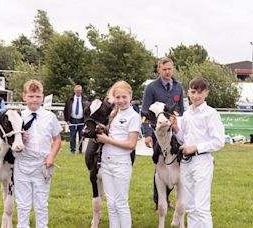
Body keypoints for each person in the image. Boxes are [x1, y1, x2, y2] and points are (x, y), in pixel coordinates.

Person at [172, 76, 225, 228]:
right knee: (190, 206)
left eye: (200, 93)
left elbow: (218, 141)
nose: (196, 96)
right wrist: (176, 128)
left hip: (202, 161)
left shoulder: (211, 114)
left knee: (202, 206)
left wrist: (196, 147)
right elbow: (183, 139)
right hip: (186, 162)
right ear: (188, 92)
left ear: (206, 93)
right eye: (193, 92)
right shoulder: (187, 114)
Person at [14, 79, 62, 228]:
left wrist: (51, 156)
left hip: (42, 164)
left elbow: (57, 139)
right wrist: (19, 139)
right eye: (31, 96)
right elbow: (9, 142)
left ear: (42, 97)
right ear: (24, 97)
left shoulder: (50, 117)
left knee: (41, 203)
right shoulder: (17, 117)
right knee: (23, 204)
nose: (34, 100)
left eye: (38, 96)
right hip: (23, 164)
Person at [96, 80, 142, 228]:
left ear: (130, 96)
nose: (121, 101)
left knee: (121, 203)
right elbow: (112, 132)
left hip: (121, 163)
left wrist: (107, 140)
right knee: (111, 203)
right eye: (118, 97)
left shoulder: (134, 116)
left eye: (124, 97)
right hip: (106, 162)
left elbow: (131, 144)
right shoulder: (114, 113)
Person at [141, 57, 185, 209]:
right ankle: (159, 200)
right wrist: (147, 134)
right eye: (164, 69)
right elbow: (145, 111)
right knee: (160, 165)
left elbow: (181, 109)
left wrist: (178, 123)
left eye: (170, 69)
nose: (167, 72)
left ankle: (171, 197)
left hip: (174, 132)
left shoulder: (179, 87)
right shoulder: (151, 87)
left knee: (176, 164)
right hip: (157, 134)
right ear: (159, 70)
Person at [64, 85, 88, 154]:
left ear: (81, 91)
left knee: (82, 136)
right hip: (72, 120)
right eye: (77, 91)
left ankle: (80, 151)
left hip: (82, 120)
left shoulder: (85, 99)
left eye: (79, 91)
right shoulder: (70, 99)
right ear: (74, 91)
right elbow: (65, 110)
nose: (78, 92)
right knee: (72, 136)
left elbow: (87, 110)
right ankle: (72, 150)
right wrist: (67, 120)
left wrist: (86, 120)